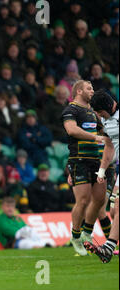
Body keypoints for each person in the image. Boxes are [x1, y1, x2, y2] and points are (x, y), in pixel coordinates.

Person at [61, 80, 110, 256]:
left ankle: (86, 233)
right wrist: (96, 138)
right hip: (79, 160)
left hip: (96, 161)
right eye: (89, 88)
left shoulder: (93, 113)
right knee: (82, 200)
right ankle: (75, 236)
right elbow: (72, 130)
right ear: (79, 91)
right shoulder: (71, 110)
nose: (92, 91)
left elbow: (106, 132)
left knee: (99, 199)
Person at [81, 90, 118, 262]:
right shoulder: (104, 120)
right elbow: (109, 146)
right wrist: (102, 170)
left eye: (99, 111)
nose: (98, 115)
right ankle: (110, 246)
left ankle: (108, 247)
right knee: (113, 210)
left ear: (109, 106)